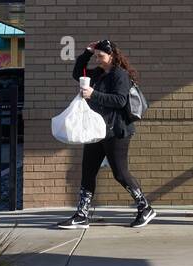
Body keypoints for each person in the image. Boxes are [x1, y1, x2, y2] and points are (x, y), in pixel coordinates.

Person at [57, 38, 158, 229]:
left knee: (120, 173)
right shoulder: (97, 73)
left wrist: (93, 94)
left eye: (100, 56)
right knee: (88, 171)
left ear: (111, 56)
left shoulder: (120, 75)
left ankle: (145, 207)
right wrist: (87, 52)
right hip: (97, 130)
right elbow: (77, 73)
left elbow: (120, 100)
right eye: (96, 56)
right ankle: (81, 215)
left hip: (117, 131)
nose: (97, 59)